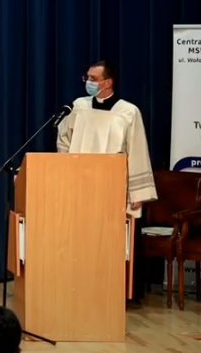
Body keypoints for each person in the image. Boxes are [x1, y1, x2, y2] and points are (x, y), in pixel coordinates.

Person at [57, 60, 157, 301]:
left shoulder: (128, 112)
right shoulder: (79, 107)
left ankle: (111, 292)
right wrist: (67, 167)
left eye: (93, 79)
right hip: (79, 185)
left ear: (108, 82)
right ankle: (77, 287)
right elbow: (63, 138)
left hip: (111, 189)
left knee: (107, 241)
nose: (88, 82)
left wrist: (137, 192)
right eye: (87, 78)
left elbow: (137, 150)